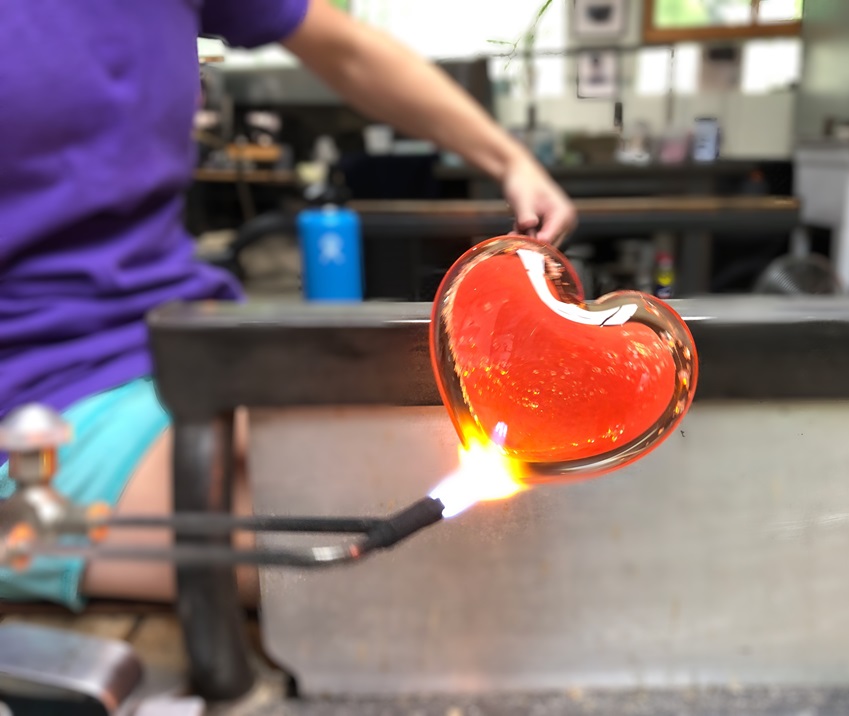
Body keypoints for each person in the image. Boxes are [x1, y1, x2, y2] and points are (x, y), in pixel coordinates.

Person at [0, 0, 576, 611]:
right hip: (34, 400)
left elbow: (347, 51)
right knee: (438, 558)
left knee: (504, 493)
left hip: (191, 345)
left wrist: (509, 159)